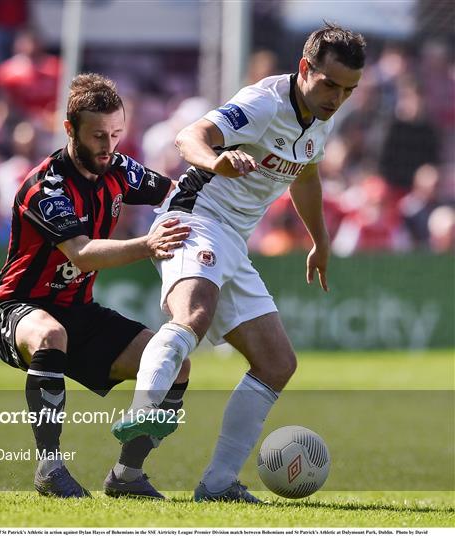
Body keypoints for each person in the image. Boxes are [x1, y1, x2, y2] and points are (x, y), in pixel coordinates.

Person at [112, 23, 366, 503]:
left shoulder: (322, 117)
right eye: (330, 84)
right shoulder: (264, 102)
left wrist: (321, 239)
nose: (337, 98)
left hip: (234, 239)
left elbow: (305, 177)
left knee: (277, 364)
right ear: (304, 68)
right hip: (195, 215)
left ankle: (217, 483)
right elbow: (190, 138)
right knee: (193, 315)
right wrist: (218, 162)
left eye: (348, 90)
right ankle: (143, 408)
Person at [0, 73, 192, 499]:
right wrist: (149, 244)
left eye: (117, 133)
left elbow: (173, 192)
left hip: (80, 311)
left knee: (175, 365)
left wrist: (226, 175)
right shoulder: (45, 187)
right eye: (98, 135)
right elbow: (80, 253)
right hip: (18, 308)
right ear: (69, 129)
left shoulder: (118, 168)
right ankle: (49, 469)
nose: (109, 145)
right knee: (50, 334)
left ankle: (127, 475)